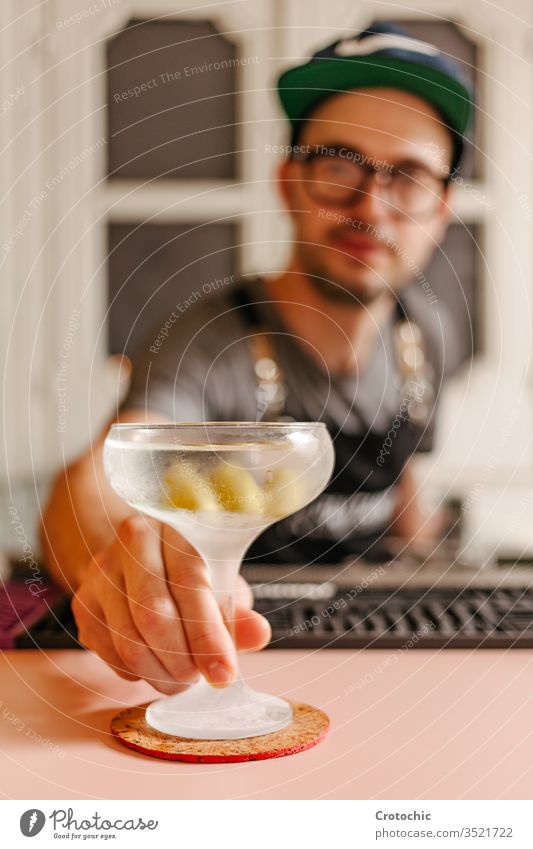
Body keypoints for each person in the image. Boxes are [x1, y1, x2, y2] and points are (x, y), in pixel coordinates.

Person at [40, 22, 474, 694]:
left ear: (441, 206)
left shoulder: (427, 335)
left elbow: (399, 480)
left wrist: (433, 572)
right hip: (237, 655)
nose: (370, 208)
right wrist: (116, 567)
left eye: (409, 177)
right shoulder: (208, 338)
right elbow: (90, 484)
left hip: (377, 656)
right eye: (338, 166)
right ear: (288, 183)